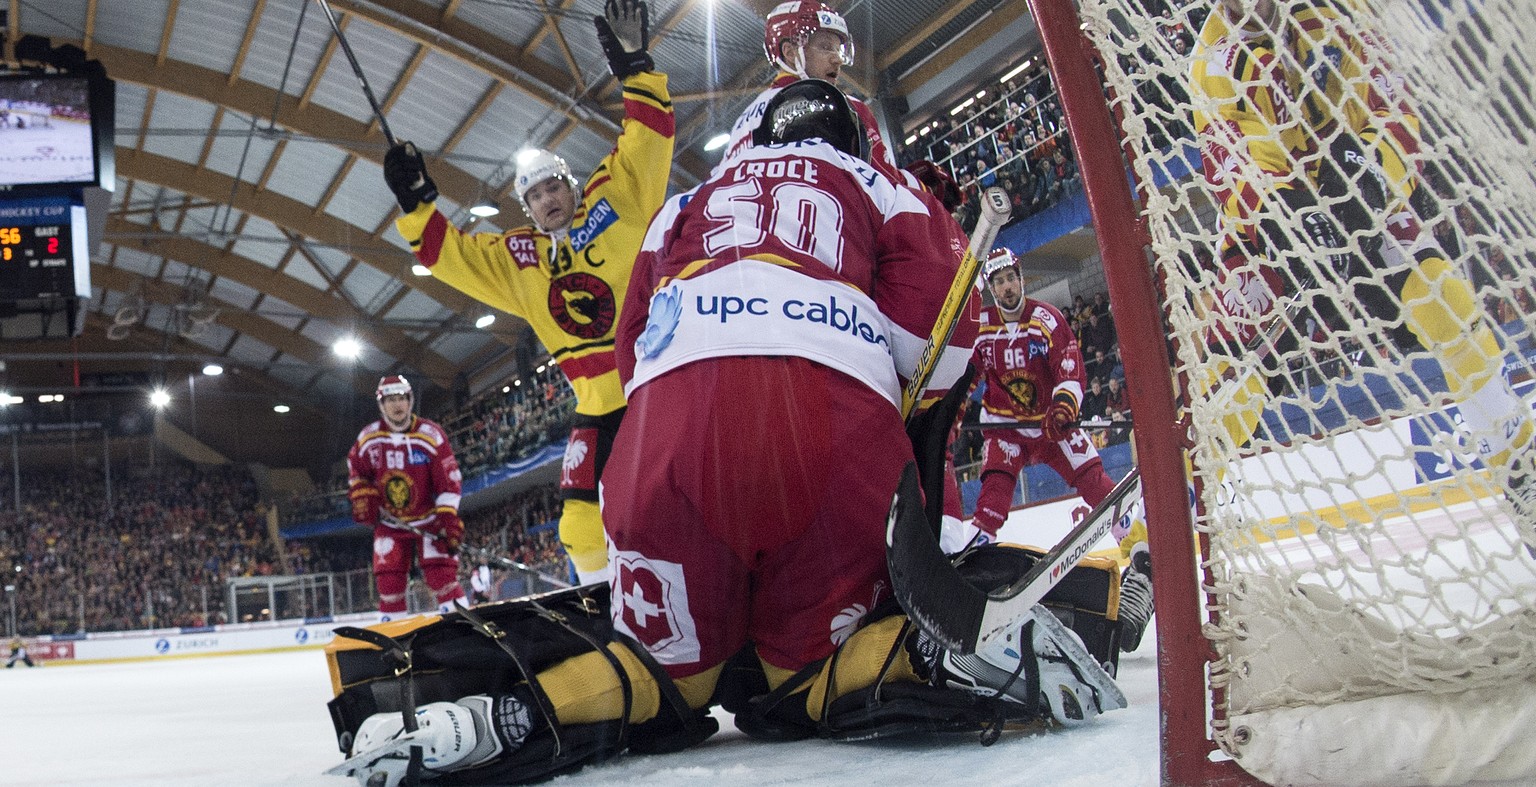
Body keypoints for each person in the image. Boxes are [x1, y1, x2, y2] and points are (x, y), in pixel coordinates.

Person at [332, 80, 1125, 787]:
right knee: (801, 673)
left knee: (664, 675)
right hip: (828, 425)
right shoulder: (878, 182)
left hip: (664, 428)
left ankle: (501, 715)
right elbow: (946, 337)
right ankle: (928, 658)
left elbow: (631, 344)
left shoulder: (685, 203)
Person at [1190, 0, 1535, 541]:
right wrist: (1280, 214)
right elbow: (1226, 171)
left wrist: (1370, 178)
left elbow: (1396, 115)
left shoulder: (1343, 11)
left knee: (1445, 301)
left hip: (1359, 188)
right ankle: (1173, 526)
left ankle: (1520, 472)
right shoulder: (1208, 62)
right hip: (1272, 228)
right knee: (1226, 380)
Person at [383, 0, 673, 584]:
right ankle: (598, 607)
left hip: (654, 389)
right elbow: (452, 257)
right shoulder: (521, 261)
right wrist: (416, 205)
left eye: (553, 186)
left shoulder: (620, 204)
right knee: (579, 528)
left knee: (674, 505)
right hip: (594, 407)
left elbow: (648, 140)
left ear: (570, 185)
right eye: (534, 195)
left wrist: (637, 68)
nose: (547, 199)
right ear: (526, 207)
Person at [940, 248, 1152, 652]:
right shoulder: (981, 329)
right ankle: (969, 567)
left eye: (1012, 278)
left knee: (1100, 488)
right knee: (991, 504)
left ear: (1022, 278)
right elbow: (965, 380)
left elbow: (1070, 364)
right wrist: (953, 417)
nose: (1007, 287)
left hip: (1051, 426)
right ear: (991, 287)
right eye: (999, 281)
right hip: (1006, 429)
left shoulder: (1046, 319)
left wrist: (1063, 407)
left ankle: (1140, 545)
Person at [711, 1, 910, 187]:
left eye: (837, 49)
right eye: (825, 47)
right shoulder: (844, 106)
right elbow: (887, 183)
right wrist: (923, 187)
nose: (837, 60)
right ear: (790, 52)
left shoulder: (742, 124)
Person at [347, 376, 467, 621]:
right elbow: (356, 471)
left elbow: (450, 480)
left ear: (410, 401)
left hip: (429, 520)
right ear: (381, 404)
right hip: (390, 524)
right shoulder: (368, 438)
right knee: (389, 585)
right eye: (391, 399)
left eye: (402, 398)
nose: (397, 405)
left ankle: (466, 630)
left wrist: (447, 519)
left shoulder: (430, 434)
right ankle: (395, 645)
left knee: (442, 578)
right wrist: (362, 493)